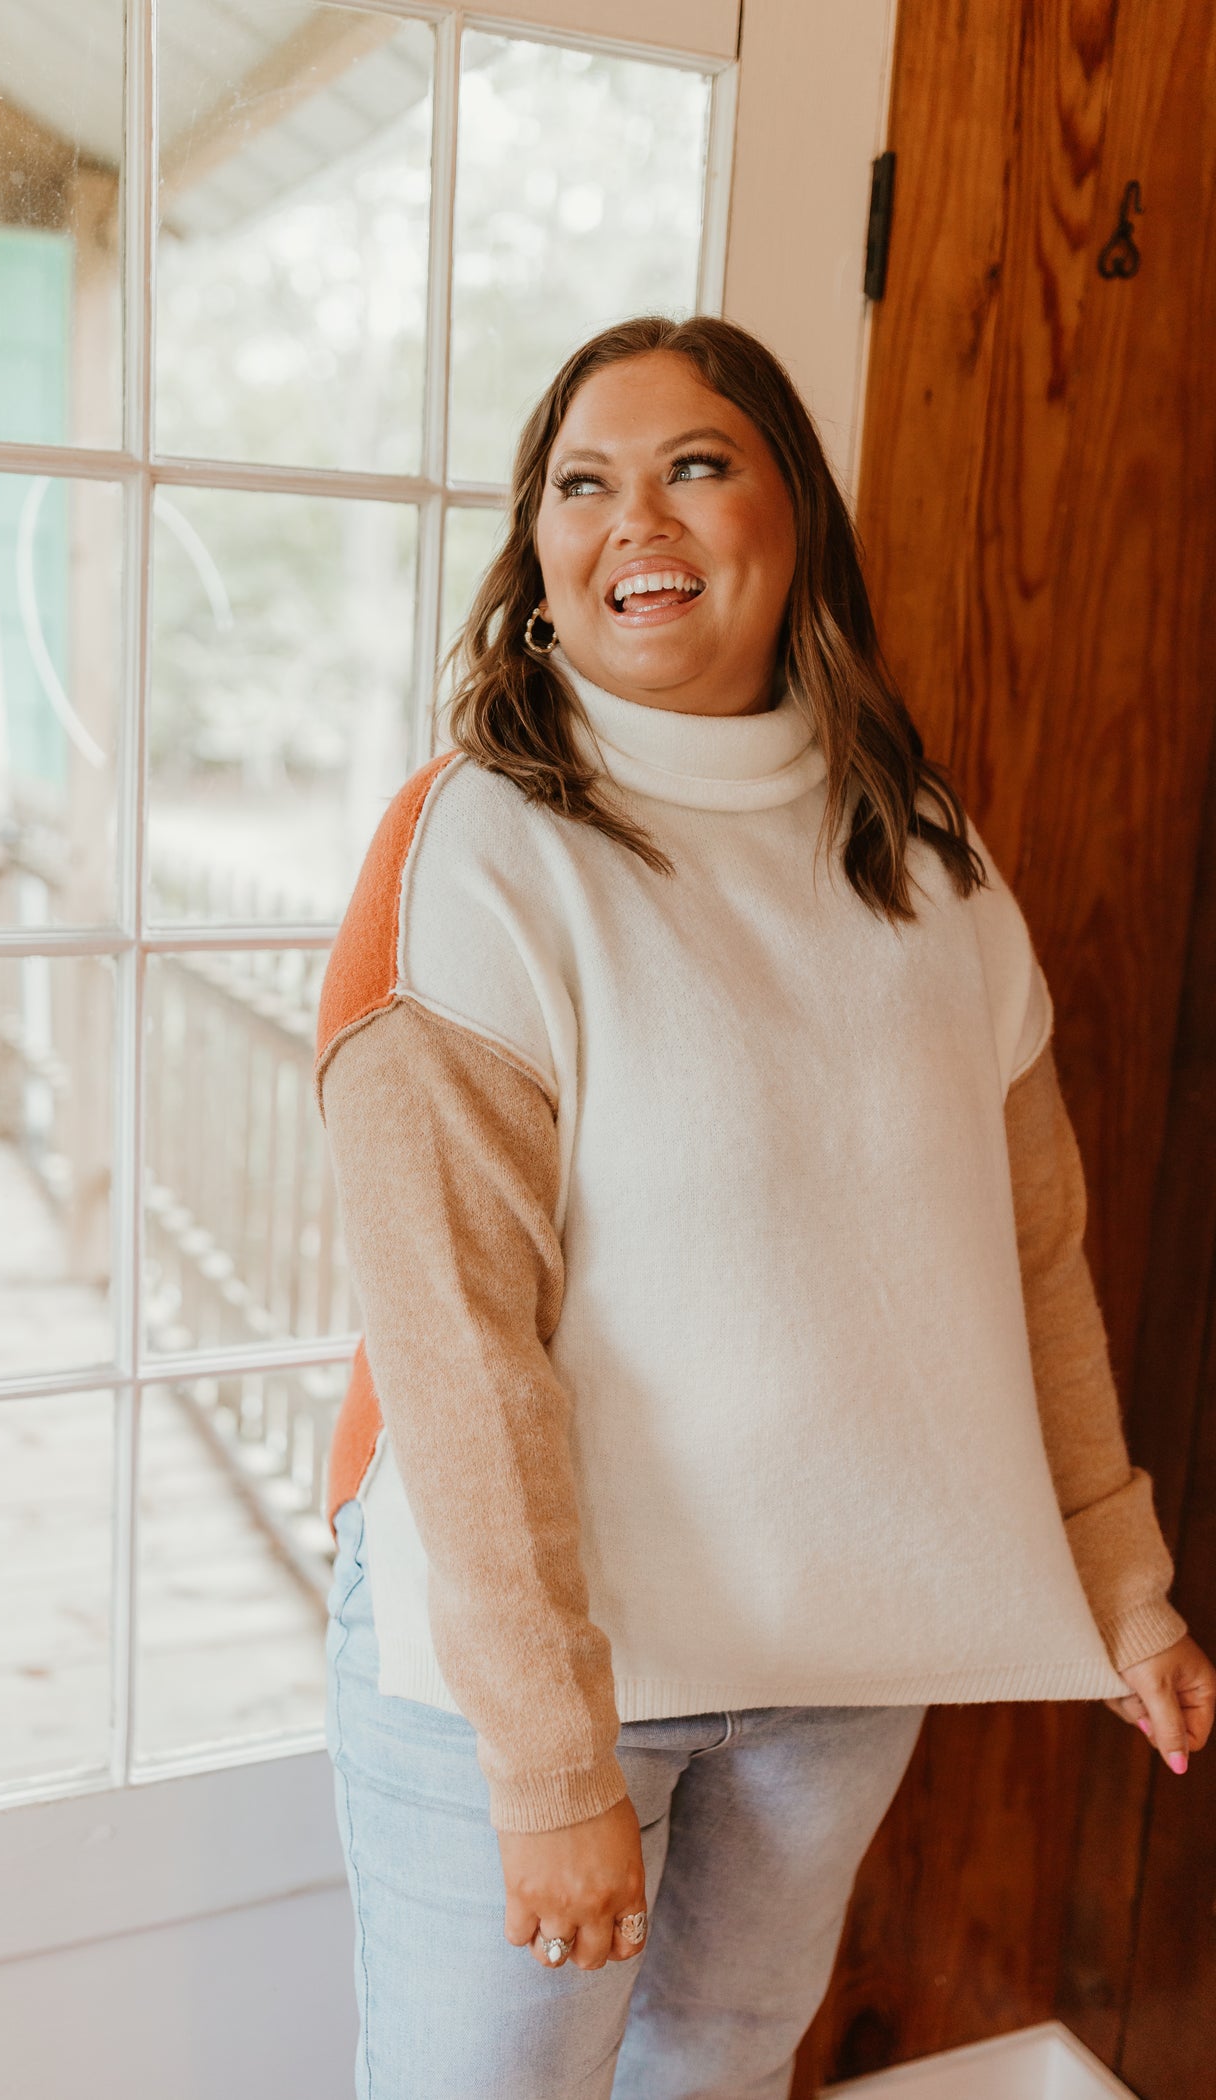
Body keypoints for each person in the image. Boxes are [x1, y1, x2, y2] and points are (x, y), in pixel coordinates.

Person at [312, 314, 1214, 2100]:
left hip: (838, 1648)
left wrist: (1122, 1579)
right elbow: (456, 1338)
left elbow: (1024, 1259)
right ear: (540, 557)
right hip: (533, 1665)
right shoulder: (479, 848)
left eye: (695, 466)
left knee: (718, 2079)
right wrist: (557, 1765)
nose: (633, 517)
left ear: (793, 515)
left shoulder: (930, 862)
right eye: (584, 483)